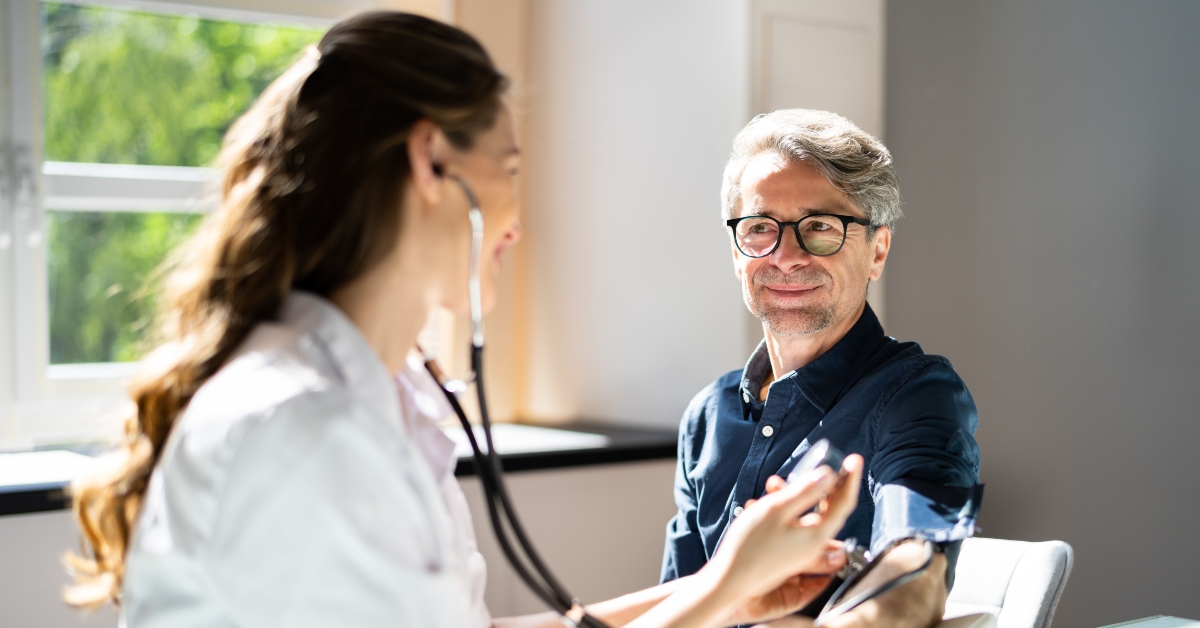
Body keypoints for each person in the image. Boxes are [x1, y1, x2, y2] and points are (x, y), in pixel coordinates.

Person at [65, 13, 867, 628]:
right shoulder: (306, 425)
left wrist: (724, 593)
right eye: (510, 170)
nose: (518, 219)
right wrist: (721, 590)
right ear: (430, 162)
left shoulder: (384, 395)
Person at [660, 109, 984, 628]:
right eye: (761, 228)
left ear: (877, 250)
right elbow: (681, 601)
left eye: (820, 228)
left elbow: (915, 569)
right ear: (736, 252)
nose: (785, 256)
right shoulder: (707, 416)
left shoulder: (917, 395)